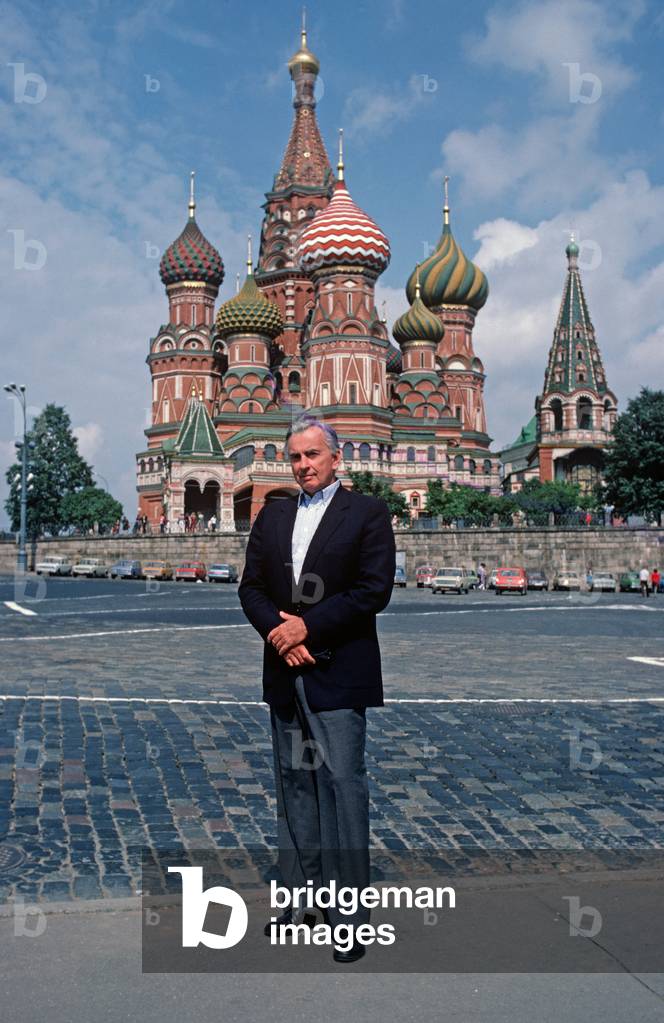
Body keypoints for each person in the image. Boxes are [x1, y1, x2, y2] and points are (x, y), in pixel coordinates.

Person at [239, 415, 396, 964]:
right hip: (286, 670)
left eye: (313, 455)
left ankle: (349, 918)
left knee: (343, 787)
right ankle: (299, 901)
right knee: (294, 785)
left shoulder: (367, 514)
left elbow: (372, 591)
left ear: (336, 458)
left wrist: (309, 627)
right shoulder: (274, 514)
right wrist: (282, 636)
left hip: (338, 672)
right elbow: (251, 588)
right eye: (296, 457)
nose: (304, 465)